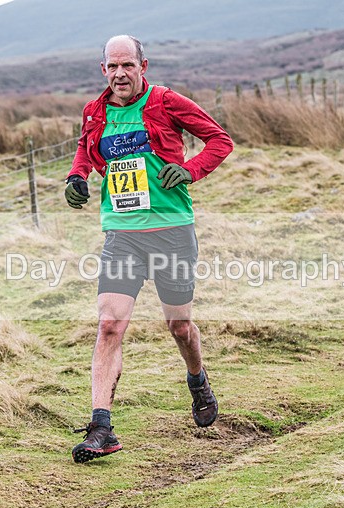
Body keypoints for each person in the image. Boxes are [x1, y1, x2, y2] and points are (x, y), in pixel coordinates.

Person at [65, 35, 233, 463]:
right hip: (122, 233)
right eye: (112, 66)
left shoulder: (166, 101)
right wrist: (77, 177)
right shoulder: (95, 111)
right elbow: (85, 149)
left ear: (143, 66)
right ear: (103, 69)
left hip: (171, 230)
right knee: (109, 324)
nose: (120, 73)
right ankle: (101, 428)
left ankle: (197, 379)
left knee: (179, 325)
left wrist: (189, 170)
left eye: (128, 65)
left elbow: (220, 140)